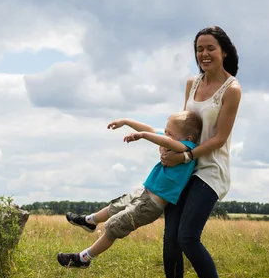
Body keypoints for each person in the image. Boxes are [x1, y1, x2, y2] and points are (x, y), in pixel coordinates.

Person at [161, 26, 241, 278]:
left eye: (210, 48)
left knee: (187, 237)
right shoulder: (192, 83)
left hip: (210, 170)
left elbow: (219, 137)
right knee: (171, 238)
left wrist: (186, 155)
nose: (204, 54)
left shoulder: (231, 89)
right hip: (184, 167)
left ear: (225, 51)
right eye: (199, 49)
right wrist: (169, 147)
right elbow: (185, 126)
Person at [57, 111, 203, 268]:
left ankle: (83, 258)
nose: (166, 135)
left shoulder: (188, 147)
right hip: (144, 192)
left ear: (187, 138)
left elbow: (166, 142)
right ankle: (90, 221)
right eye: (165, 131)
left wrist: (143, 136)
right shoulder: (172, 139)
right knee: (117, 205)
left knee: (113, 226)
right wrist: (125, 121)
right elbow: (152, 130)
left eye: (170, 133)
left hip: (151, 205)